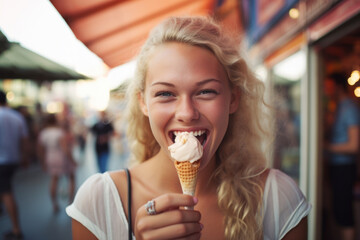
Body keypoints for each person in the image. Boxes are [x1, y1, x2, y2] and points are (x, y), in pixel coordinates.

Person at [66, 16, 311, 239]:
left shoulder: (279, 199)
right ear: (144, 103)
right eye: (165, 93)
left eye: (206, 91)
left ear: (233, 99)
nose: (186, 113)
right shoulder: (99, 202)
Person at [324, 72, 360, 240]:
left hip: (344, 167)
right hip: (337, 167)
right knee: (338, 211)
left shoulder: (350, 108)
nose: (326, 91)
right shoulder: (337, 108)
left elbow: (354, 146)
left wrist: (326, 146)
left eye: (329, 87)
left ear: (338, 87)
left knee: (344, 213)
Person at [0, 90, 28, 240]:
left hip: (2, 161)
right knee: (5, 190)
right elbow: (24, 139)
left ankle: (16, 229)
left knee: (6, 192)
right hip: (12, 159)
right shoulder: (16, 117)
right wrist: (24, 157)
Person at [37, 114, 77, 213]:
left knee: (54, 180)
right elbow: (65, 149)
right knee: (71, 177)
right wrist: (72, 160)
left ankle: (54, 204)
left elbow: (40, 149)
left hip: (50, 158)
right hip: (62, 158)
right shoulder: (59, 133)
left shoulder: (43, 133)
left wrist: (43, 162)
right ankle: (70, 202)